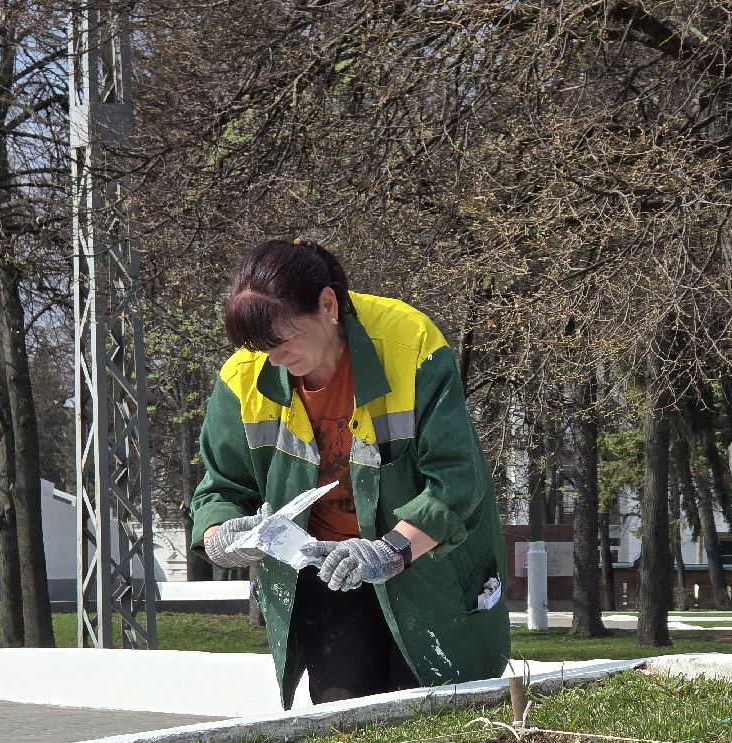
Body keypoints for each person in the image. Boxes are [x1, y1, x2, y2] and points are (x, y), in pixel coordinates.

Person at [190, 238, 511, 708]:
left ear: (326, 304)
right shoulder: (243, 377)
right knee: (346, 718)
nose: (273, 359)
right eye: (260, 347)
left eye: (283, 339)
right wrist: (223, 538)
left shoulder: (410, 345)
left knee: (433, 711)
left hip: (428, 566)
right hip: (325, 572)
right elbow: (221, 487)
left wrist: (391, 550)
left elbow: (456, 480)